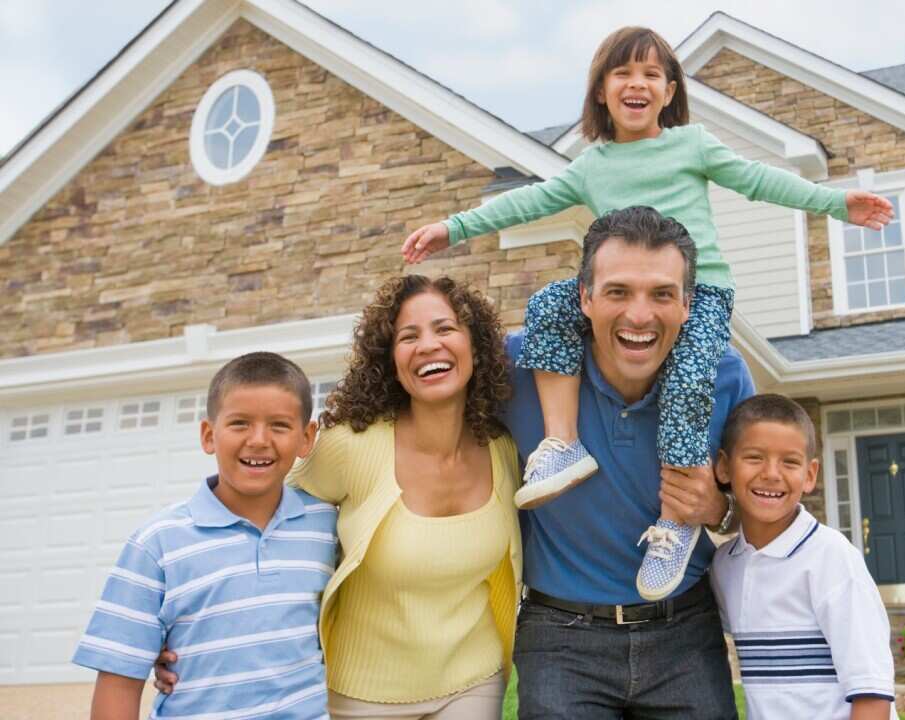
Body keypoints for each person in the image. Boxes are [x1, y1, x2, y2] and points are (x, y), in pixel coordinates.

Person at [402, 26, 893, 600]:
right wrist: (452, 228)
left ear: (669, 91)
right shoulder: (592, 166)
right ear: (602, 92)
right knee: (546, 308)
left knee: (687, 383)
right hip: (618, 293)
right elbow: (528, 200)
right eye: (623, 73)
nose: (637, 84)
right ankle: (563, 443)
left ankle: (678, 521)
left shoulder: (693, 145)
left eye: (651, 74)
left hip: (697, 294)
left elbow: (758, 180)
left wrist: (834, 201)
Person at [155, 276, 523, 719]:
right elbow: (260, 524)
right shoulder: (351, 446)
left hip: (473, 683)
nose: (428, 345)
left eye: (445, 329)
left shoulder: (503, 451)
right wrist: (193, 629)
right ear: (390, 361)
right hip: (360, 693)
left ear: (476, 346)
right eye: (409, 336)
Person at [505, 206, 750, 719]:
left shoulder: (724, 377)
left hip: (684, 632)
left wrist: (716, 509)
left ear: (687, 305)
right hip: (559, 638)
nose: (639, 315)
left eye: (661, 294)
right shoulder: (520, 367)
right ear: (585, 298)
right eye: (618, 291)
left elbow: (764, 505)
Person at [72, 352, 335, 719]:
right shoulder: (157, 544)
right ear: (209, 435)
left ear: (306, 438)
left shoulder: (326, 525)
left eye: (279, 425)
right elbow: (119, 680)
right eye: (240, 423)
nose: (258, 440)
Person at [710, 394, 896, 720]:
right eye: (754, 457)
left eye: (790, 462)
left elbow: (872, 694)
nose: (771, 473)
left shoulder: (831, 559)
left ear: (810, 475)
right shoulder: (725, 566)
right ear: (724, 467)